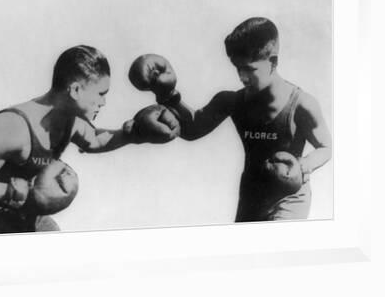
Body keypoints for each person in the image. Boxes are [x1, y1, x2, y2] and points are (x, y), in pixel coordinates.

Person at [128, 17, 332, 222]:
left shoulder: (302, 104)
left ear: (273, 61)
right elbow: (192, 129)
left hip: (289, 199)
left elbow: (326, 147)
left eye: (249, 69)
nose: (242, 77)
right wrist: (167, 93)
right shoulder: (232, 101)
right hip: (252, 195)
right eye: (238, 68)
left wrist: (304, 166)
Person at [0, 45, 180, 235]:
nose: (104, 102)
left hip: (26, 215)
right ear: (76, 90)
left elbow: (94, 140)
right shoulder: (11, 128)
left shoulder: (71, 121)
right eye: (100, 94)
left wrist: (134, 134)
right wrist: (16, 191)